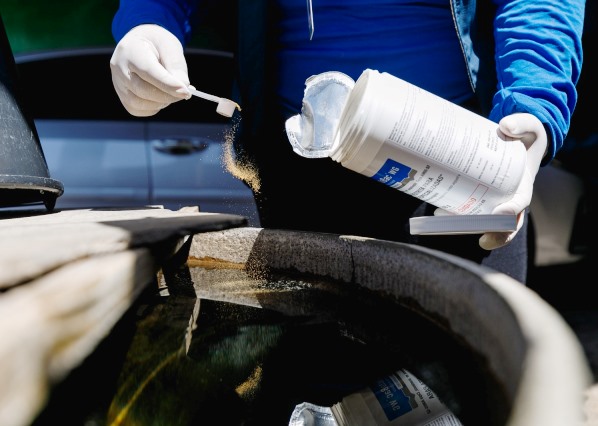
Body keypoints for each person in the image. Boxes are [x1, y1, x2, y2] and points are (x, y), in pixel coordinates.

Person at [109, 0, 585, 284]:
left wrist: (534, 105)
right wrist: (147, 24)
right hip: (297, 182)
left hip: (461, 170)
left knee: (469, 388)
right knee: (310, 392)